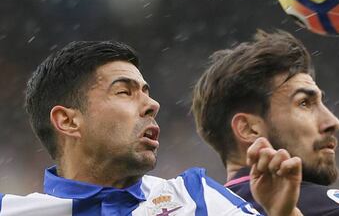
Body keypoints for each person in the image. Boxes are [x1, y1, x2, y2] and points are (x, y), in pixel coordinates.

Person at [0, 40, 303, 216]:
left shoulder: (196, 198)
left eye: (146, 91)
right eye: (124, 91)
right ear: (67, 121)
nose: (152, 104)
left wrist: (285, 214)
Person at [191, 29, 339, 216]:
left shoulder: (202, 208)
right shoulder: (310, 204)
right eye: (305, 103)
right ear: (248, 128)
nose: (332, 121)